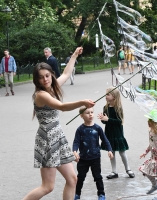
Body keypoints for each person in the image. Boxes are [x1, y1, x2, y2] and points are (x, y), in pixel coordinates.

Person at [22, 47, 95, 200]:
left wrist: (74, 55)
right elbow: (62, 107)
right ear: (37, 80)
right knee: (47, 187)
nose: (45, 79)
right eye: (41, 77)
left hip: (57, 137)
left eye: (47, 76)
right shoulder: (41, 95)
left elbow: (67, 74)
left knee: (72, 179)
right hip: (48, 139)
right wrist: (82, 102)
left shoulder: (51, 88)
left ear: (51, 75)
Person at [73, 107, 113, 200]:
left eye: (92, 112)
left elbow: (105, 140)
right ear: (81, 116)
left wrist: (109, 150)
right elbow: (76, 142)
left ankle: (101, 194)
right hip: (82, 159)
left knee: (98, 177)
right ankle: (77, 194)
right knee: (80, 177)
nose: (90, 114)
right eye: (87, 113)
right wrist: (75, 151)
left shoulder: (97, 128)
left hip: (95, 158)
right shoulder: (80, 129)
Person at [97, 87, 135, 179]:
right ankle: (114, 171)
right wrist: (103, 119)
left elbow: (119, 121)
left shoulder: (118, 108)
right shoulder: (105, 107)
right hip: (109, 133)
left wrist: (108, 119)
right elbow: (105, 122)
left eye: (108, 94)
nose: (105, 96)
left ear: (114, 96)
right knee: (111, 152)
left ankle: (128, 169)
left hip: (118, 133)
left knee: (122, 152)